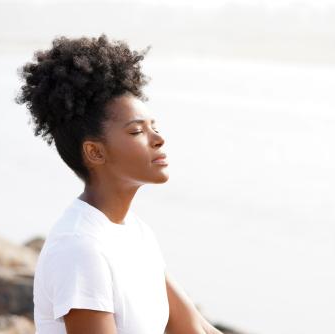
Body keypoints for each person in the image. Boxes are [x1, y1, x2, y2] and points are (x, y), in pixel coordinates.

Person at [15, 34, 223, 334]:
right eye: (137, 131)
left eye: (155, 127)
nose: (158, 139)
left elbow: (193, 328)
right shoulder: (79, 248)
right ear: (95, 152)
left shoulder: (136, 234)